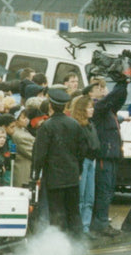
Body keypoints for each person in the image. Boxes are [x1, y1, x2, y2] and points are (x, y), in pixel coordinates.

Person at [31, 88, 88, 237]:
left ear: (50, 105)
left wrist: (35, 174)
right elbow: (82, 151)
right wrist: (79, 170)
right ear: (65, 106)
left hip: (54, 178)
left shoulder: (47, 126)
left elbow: (39, 154)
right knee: (74, 213)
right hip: (72, 176)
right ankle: (77, 244)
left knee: (57, 215)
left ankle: (60, 248)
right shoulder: (74, 124)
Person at [90, 76, 127, 237]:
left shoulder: (107, 108)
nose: (103, 90)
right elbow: (112, 98)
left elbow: (118, 98)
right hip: (104, 156)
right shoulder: (97, 107)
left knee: (108, 190)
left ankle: (102, 221)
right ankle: (100, 223)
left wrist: (123, 83)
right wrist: (121, 83)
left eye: (104, 87)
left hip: (111, 156)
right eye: (99, 87)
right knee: (103, 191)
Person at [71, 95, 101, 235]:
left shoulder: (91, 124)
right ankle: (78, 227)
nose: (92, 110)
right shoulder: (77, 126)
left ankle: (86, 227)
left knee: (90, 196)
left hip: (91, 161)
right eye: (89, 107)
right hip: (82, 162)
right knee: (81, 197)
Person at [10, 107, 35, 187]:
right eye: (23, 118)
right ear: (16, 120)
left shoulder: (23, 130)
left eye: (27, 117)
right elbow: (33, 153)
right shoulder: (18, 135)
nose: (26, 120)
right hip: (23, 172)